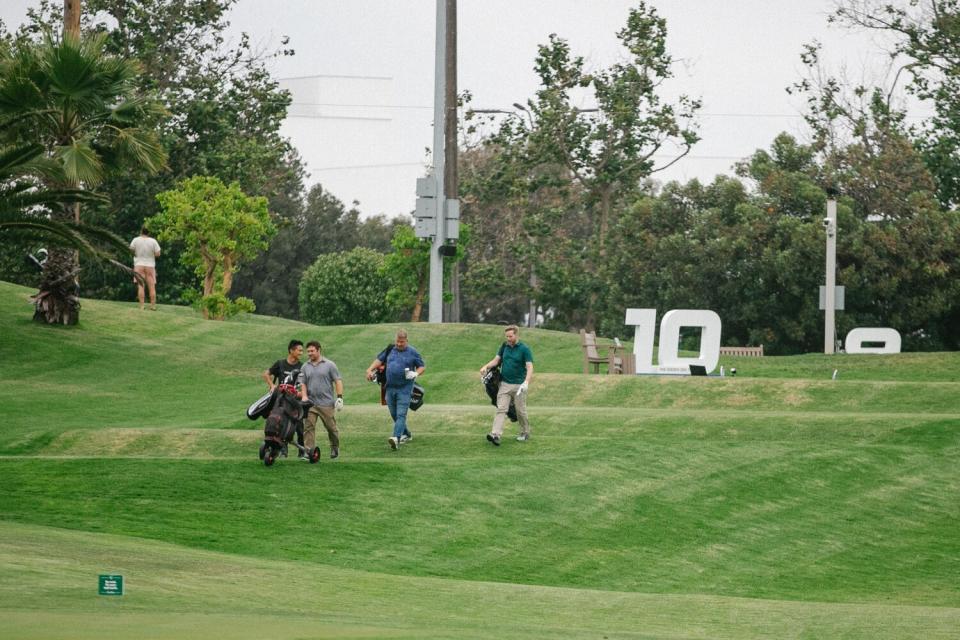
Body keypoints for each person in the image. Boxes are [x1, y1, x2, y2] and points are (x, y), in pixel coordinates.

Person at [365, 329, 424, 450]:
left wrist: (415, 374)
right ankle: (406, 434)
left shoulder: (413, 352)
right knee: (394, 414)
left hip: (405, 389)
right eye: (397, 341)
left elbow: (422, 366)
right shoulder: (390, 349)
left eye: (401, 342)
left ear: (406, 341)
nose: (399, 344)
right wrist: (369, 369)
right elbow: (379, 360)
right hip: (389, 387)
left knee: (401, 414)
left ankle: (396, 438)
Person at [479, 324, 534, 446]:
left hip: (519, 386)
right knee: (501, 409)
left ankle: (525, 432)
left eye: (510, 336)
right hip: (505, 384)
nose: (508, 339)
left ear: (516, 335)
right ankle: (495, 435)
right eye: (507, 336)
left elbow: (530, 367)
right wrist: (486, 366)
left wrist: (526, 382)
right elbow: (496, 360)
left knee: (520, 411)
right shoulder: (504, 346)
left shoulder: (524, 349)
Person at [300, 341, 344, 460]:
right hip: (310, 404)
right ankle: (308, 452)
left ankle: (335, 447)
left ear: (319, 350)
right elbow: (302, 383)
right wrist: (304, 396)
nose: (309, 353)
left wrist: (339, 397)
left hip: (326, 403)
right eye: (308, 351)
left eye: (312, 351)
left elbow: (338, 381)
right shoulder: (305, 366)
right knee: (308, 427)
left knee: (331, 428)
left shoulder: (330, 365)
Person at [263, 340, 306, 458]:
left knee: (299, 427)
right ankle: (283, 450)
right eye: (299, 350)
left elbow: (304, 384)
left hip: (295, 401)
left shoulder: (302, 366)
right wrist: (272, 385)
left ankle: (302, 452)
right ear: (291, 350)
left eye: (302, 350)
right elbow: (266, 374)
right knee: (280, 424)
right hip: (280, 400)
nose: (301, 353)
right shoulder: (280, 363)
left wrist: (299, 393)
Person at [130, 226, 161, 310]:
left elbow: (131, 250)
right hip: (150, 265)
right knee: (151, 286)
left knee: (141, 286)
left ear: (141, 231)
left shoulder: (135, 240)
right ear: (149, 233)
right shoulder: (153, 241)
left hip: (138, 264)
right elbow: (158, 253)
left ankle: (142, 306)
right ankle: (153, 306)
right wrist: (151, 255)